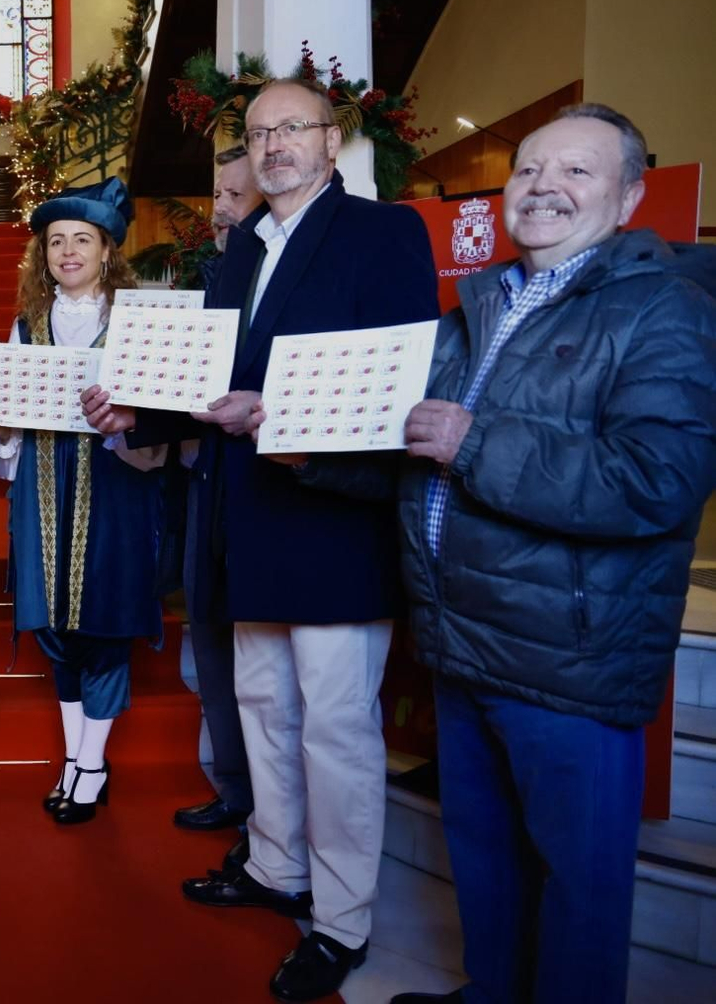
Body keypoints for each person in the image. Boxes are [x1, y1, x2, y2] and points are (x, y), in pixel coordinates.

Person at [273, 105, 716, 1004]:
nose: (544, 186)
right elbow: (411, 456)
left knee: (577, 890)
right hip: (463, 641)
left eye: (577, 172)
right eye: (527, 170)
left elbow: (656, 480)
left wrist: (476, 441)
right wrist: (312, 451)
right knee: (485, 862)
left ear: (631, 195)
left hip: (571, 657)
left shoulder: (664, 308)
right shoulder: (473, 310)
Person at [84, 78, 437, 1001]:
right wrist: (139, 406)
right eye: (258, 132)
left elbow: (394, 384)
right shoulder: (240, 248)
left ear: (332, 140)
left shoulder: (383, 234)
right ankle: (277, 867)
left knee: (336, 730)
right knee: (265, 711)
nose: (274, 144)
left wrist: (274, 413)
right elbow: (215, 379)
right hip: (245, 515)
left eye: (293, 128)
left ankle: (343, 918)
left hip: (330, 519)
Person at [0, 177, 166, 824]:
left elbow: (162, 416)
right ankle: (75, 758)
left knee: (104, 624)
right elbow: (8, 423)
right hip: (42, 483)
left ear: (108, 249)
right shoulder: (27, 323)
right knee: (55, 627)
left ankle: (92, 762)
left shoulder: (137, 320)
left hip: (115, 486)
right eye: (56, 240)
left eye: (81, 239)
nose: (67, 251)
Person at [172, 145, 264, 850]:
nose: (220, 208)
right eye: (216, 194)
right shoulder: (211, 277)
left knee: (262, 666)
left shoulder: (277, 275)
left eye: (235, 194)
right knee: (206, 637)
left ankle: (267, 814)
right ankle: (235, 790)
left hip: (269, 487)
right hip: (206, 480)